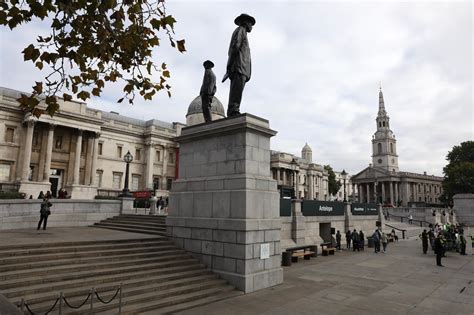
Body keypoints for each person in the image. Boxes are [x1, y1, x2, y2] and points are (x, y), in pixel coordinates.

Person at [222, 13, 255, 117]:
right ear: (245, 23)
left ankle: (234, 109)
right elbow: (235, 47)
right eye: (250, 23)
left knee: (238, 91)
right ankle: (233, 110)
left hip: (241, 67)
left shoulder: (243, 32)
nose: (251, 26)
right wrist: (229, 65)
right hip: (238, 66)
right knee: (236, 91)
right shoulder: (240, 30)